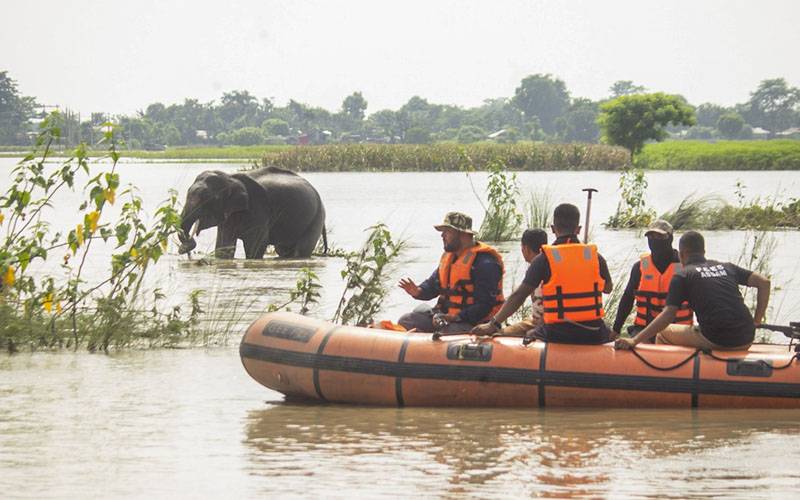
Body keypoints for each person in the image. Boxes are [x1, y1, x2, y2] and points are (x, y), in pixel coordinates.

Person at [472, 203, 614, 344]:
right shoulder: (595, 257)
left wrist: (493, 324)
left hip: (557, 332)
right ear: (579, 229)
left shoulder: (544, 259)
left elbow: (519, 295)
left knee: (530, 333)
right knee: (607, 328)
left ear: (553, 228)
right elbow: (608, 288)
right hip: (593, 331)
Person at [615, 231, 770, 351]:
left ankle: (670, 381)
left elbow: (668, 315)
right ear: (703, 251)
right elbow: (764, 282)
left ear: (682, 254)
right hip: (747, 337)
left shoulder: (684, 274)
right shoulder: (727, 267)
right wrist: (756, 320)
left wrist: (634, 340)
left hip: (717, 339)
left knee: (663, 333)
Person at [397, 211, 505, 333]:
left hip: (473, 322)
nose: (442, 236)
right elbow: (433, 285)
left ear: (463, 234)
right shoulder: (450, 258)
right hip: (445, 319)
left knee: (448, 331)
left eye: (447, 231)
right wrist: (418, 291)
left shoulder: (485, 263)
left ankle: (430, 344)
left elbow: (485, 306)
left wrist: (455, 317)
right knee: (406, 320)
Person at [611, 220, 693, 341]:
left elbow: (701, 301)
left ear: (670, 238)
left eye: (660, 236)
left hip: (678, 329)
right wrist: (616, 329)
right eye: (651, 236)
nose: (655, 240)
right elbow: (627, 298)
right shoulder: (640, 267)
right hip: (644, 328)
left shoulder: (686, 267)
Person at [500, 228, 548, 336]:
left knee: (500, 335)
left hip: (543, 323)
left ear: (525, 249)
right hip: (538, 321)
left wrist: (494, 322)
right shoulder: (550, 265)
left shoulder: (537, 270)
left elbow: (519, 296)